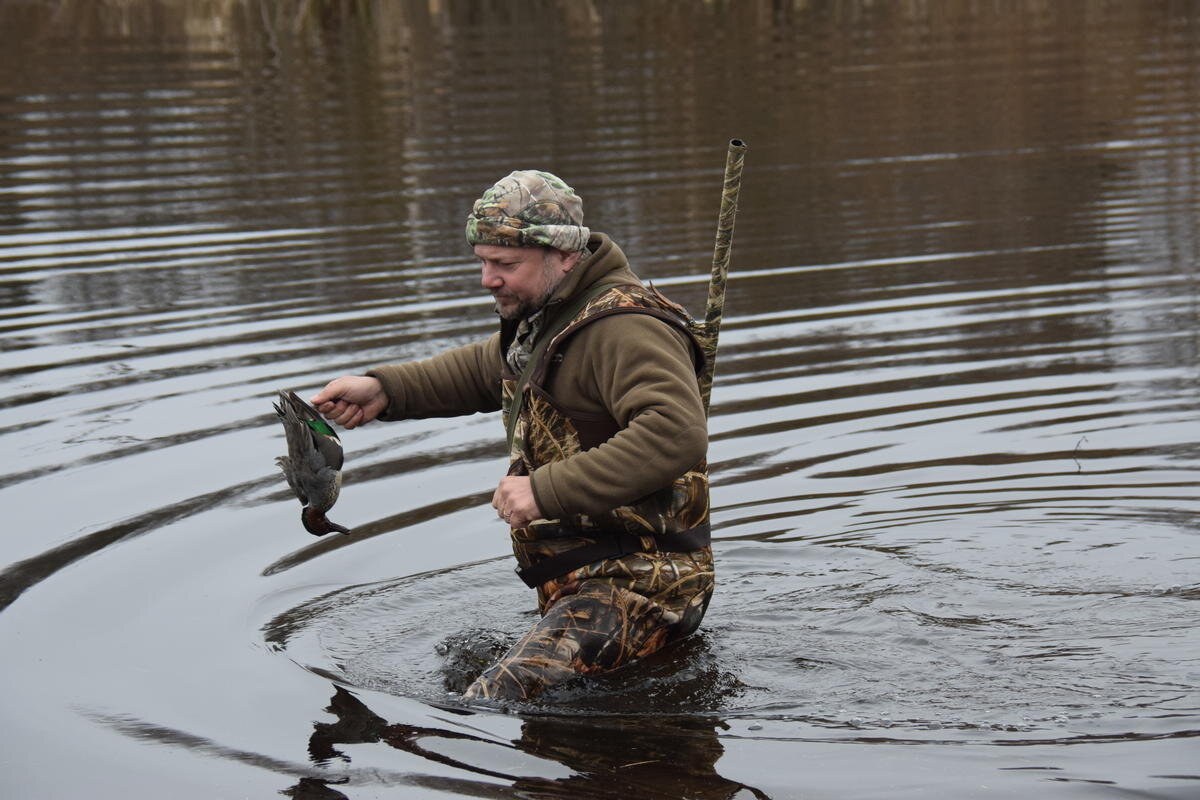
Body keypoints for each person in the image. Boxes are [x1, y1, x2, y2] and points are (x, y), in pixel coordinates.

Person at [312, 170, 714, 702]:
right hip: (584, 576)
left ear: (564, 256)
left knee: (489, 703)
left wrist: (545, 491)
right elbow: (484, 369)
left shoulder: (624, 328)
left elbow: (676, 433)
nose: (487, 279)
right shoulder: (554, 315)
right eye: (482, 261)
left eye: (505, 264)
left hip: (640, 583)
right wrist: (385, 390)